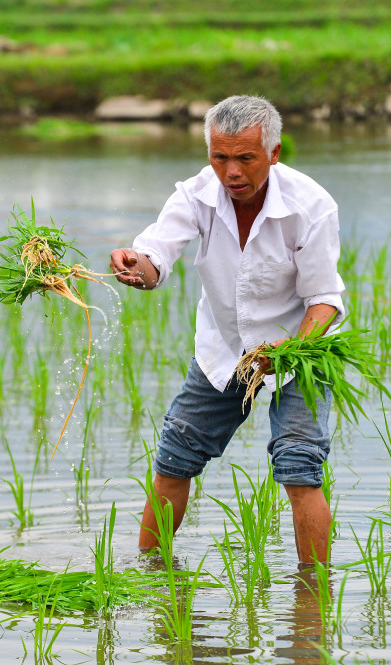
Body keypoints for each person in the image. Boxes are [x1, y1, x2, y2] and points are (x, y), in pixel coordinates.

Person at [109, 95, 345, 564]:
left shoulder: (311, 206)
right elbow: (157, 254)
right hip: (225, 350)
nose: (232, 172)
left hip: (300, 350)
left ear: (273, 154)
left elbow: (325, 300)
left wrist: (290, 347)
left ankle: (311, 602)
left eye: (245, 158)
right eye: (220, 157)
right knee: (174, 458)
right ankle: (149, 578)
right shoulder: (196, 194)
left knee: (301, 468)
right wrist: (138, 267)